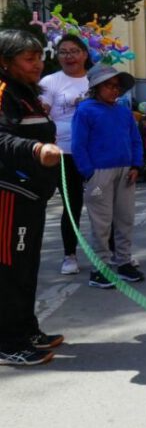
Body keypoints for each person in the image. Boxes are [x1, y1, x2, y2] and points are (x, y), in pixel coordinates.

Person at [0, 30, 65, 366]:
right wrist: (37, 149)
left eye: (40, 56)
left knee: (27, 266)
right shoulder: (3, 93)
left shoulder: (27, 94)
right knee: (10, 270)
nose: (38, 64)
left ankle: (26, 329)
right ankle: (8, 341)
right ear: (5, 62)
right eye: (29, 58)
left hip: (32, 197)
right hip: (10, 196)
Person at [71, 65, 145, 288]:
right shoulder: (85, 110)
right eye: (108, 86)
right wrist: (89, 173)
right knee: (101, 223)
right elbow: (78, 145)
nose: (114, 90)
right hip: (99, 175)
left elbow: (135, 140)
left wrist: (136, 165)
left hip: (126, 172)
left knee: (125, 219)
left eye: (117, 87)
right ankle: (99, 268)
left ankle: (123, 262)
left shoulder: (124, 112)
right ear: (95, 87)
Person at [38, 35, 92, 275]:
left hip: (94, 155)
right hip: (65, 154)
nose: (69, 56)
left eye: (74, 51)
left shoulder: (96, 80)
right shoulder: (50, 82)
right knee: (73, 204)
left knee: (102, 201)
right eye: (63, 52)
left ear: (85, 54)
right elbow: (42, 114)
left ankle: (113, 251)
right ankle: (69, 255)